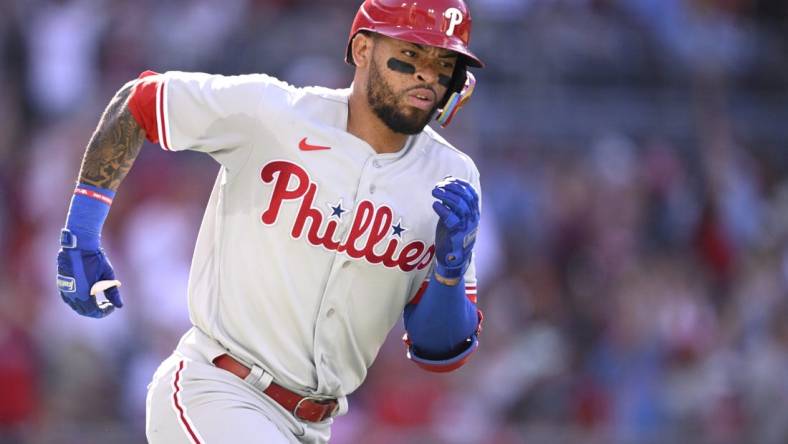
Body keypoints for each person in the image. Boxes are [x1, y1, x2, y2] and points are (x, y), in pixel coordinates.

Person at [56, 0, 484, 442]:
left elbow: (439, 352)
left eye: (444, 62)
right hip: (217, 389)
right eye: (412, 54)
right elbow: (140, 102)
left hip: (314, 425)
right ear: (362, 50)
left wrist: (449, 274)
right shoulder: (275, 113)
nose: (427, 76)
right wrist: (82, 234)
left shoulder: (452, 176)